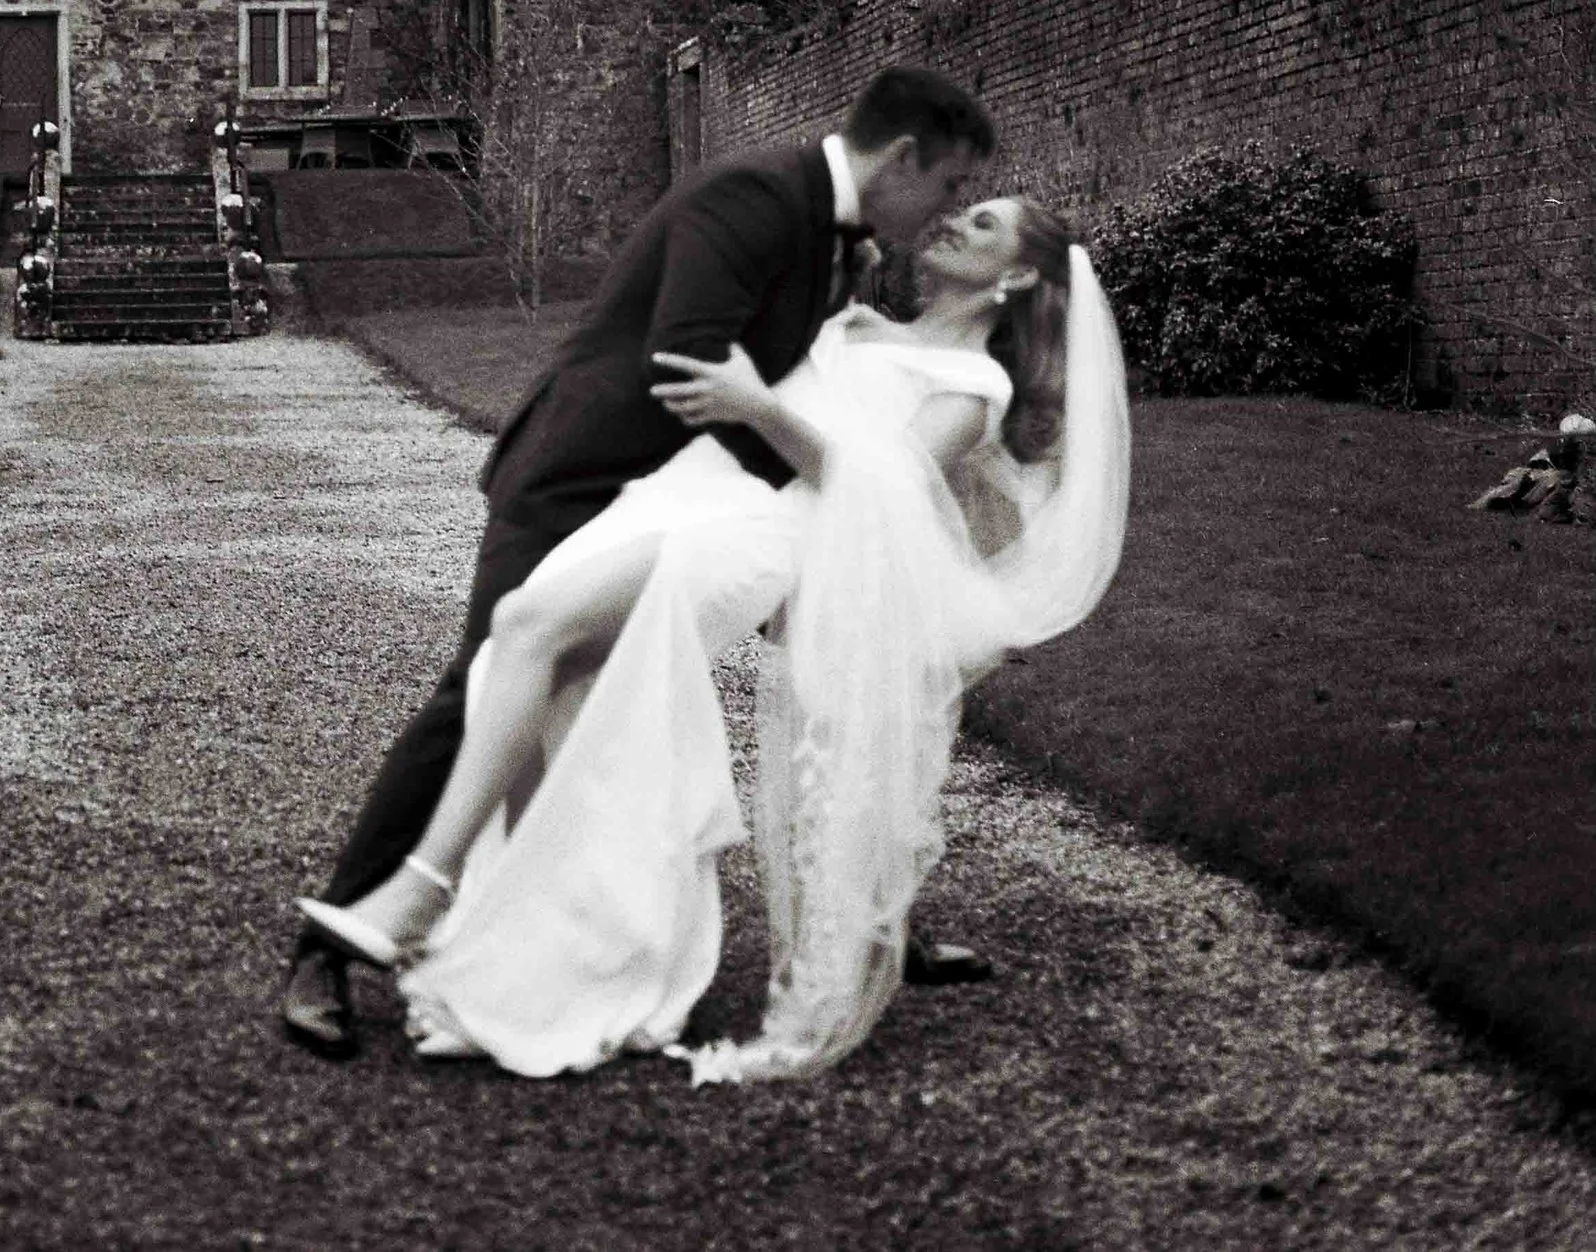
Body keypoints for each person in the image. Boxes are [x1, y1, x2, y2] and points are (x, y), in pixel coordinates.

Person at [298, 196, 1131, 1081]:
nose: (960, 222)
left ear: (1017, 276)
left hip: (767, 540)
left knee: (527, 627)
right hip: (693, 500)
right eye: (967, 211)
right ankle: (542, 951)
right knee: (547, 684)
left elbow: (882, 493)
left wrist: (755, 405)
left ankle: (419, 892)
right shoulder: (855, 321)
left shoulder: (973, 387)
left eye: (988, 226)